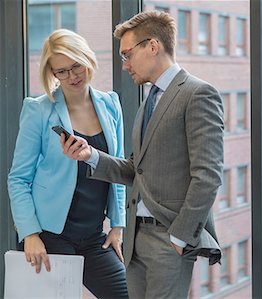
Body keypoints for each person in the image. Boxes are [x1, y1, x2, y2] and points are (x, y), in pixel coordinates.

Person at [62, 10, 224, 298]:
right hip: (137, 241)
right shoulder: (149, 100)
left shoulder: (198, 94)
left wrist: (179, 237)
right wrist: (90, 156)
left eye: (127, 54)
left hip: (169, 240)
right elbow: (137, 170)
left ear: (153, 46)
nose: (125, 65)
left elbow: (208, 176)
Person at [7, 29, 128, 299]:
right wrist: (30, 234)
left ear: (88, 59)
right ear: (53, 74)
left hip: (95, 235)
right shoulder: (38, 110)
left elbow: (118, 168)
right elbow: (18, 178)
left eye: (76, 66)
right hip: (50, 235)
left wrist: (118, 226)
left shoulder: (111, 104)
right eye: (61, 71)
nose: (71, 76)